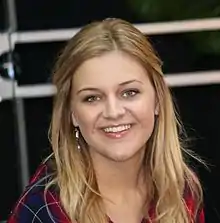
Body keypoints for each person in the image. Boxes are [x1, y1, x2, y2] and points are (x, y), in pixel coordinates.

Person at [7, 18, 205, 223]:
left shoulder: (181, 189)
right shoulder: (45, 208)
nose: (113, 112)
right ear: (72, 113)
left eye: (129, 92)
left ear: (157, 100)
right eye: (92, 98)